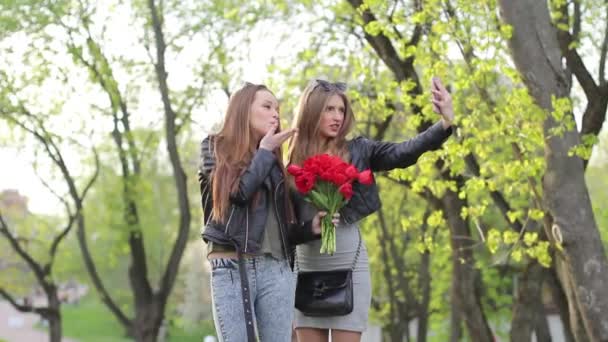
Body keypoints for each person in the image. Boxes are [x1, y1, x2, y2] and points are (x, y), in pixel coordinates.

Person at [287, 77, 455, 342]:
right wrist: (310, 228)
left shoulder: (358, 150)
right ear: (311, 111)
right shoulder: (290, 161)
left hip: (350, 263)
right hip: (307, 268)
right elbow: (281, 228)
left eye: (341, 110)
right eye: (329, 109)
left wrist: (444, 123)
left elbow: (403, 153)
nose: (337, 117)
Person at [198, 82, 337, 342]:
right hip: (231, 265)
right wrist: (263, 152)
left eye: (278, 108)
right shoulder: (214, 147)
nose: (276, 113)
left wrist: (309, 229)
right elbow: (237, 195)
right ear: (243, 110)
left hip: (276, 268)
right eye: (267, 106)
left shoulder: (274, 163)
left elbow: (279, 228)